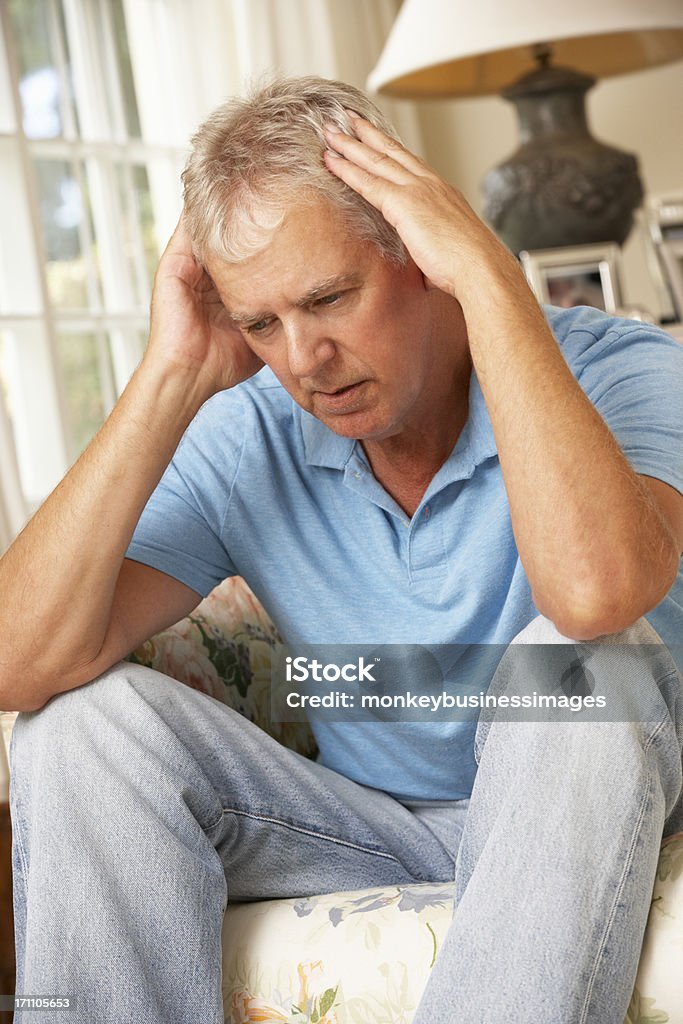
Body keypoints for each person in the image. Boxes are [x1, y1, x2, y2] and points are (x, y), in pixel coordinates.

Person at [2, 75, 683, 1024]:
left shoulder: (623, 370)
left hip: (593, 815)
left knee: (582, 665)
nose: (302, 361)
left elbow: (595, 597)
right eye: (260, 323)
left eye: (328, 298)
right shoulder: (248, 433)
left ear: (418, 249)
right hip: (373, 827)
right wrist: (173, 374)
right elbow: (18, 661)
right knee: (81, 726)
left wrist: (487, 278)